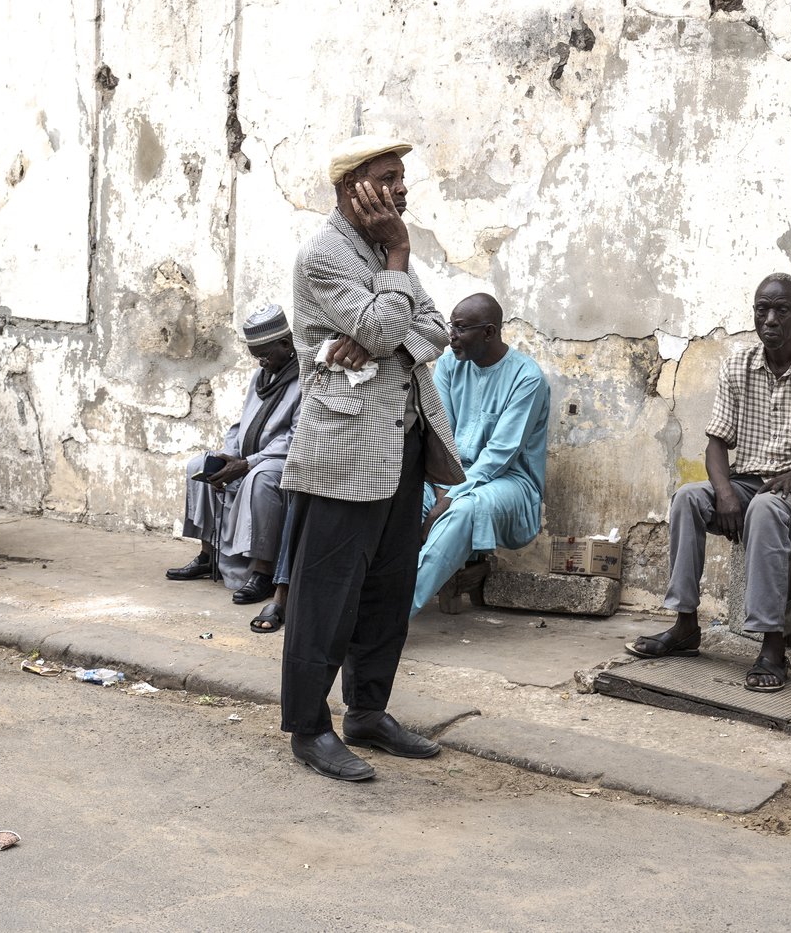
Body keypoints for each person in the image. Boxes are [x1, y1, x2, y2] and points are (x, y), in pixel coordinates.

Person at [279, 134, 465, 781]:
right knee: (326, 593)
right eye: (388, 177)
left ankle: (367, 712)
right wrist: (398, 271)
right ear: (353, 187)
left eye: (401, 177)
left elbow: (434, 327)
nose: (402, 189)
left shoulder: (381, 252)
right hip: (344, 449)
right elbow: (388, 325)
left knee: (387, 590)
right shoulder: (325, 255)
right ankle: (309, 727)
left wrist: (388, 335)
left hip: (402, 444)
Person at [627, 273, 791, 692]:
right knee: (686, 498)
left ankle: (772, 647)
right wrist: (724, 493)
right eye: (762, 310)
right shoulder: (738, 365)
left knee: (768, 508)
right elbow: (716, 445)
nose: (770, 319)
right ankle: (684, 625)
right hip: (749, 481)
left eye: (782, 310)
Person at [411, 293, 549, 617]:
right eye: (451, 326)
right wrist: (442, 489)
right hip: (447, 475)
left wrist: (449, 497)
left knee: (461, 510)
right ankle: (367, 601)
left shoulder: (527, 378)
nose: (451, 337)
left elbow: (500, 455)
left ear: (488, 332)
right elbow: (439, 436)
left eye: (460, 329)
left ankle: (390, 615)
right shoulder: (448, 365)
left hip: (510, 482)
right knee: (406, 500)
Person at [166, 305, 300, 608]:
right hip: (249, 456)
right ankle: (207, 555)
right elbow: (242, 424)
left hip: (280, 461)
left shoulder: (305, 380)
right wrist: (229, 455)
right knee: (200, 465)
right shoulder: (261, 377)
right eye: (256, 356)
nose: (262, 361)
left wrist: (248, 463)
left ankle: (263, 572)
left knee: (260, 478)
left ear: (286, 344)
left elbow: (295, 438)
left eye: (266, 354)